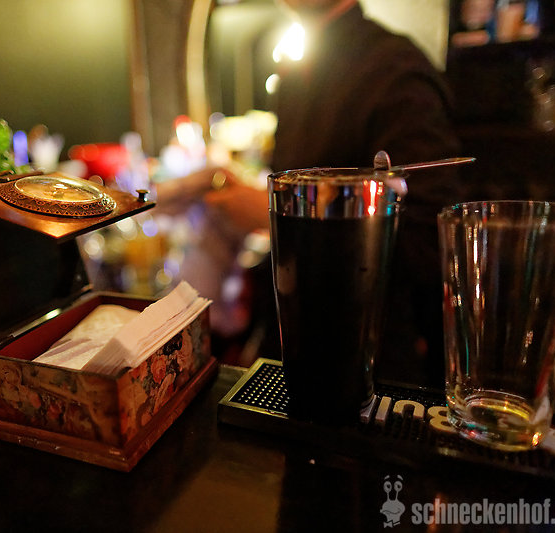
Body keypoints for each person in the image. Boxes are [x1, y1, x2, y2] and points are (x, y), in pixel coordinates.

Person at [195, 0, 464, 383]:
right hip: (293, 342)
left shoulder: (394, 69)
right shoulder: (301, 66)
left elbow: (431, 238)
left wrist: (277, 215)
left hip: (367, 364)